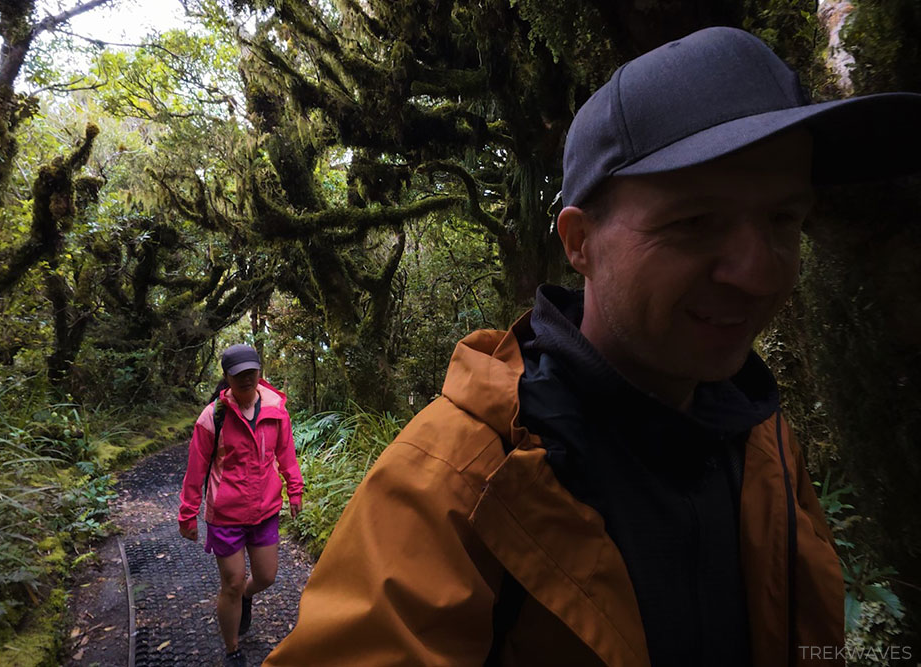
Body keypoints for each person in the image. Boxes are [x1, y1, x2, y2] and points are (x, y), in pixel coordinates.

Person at [265, 27, 921, 666]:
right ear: (580, 243)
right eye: (695, 223)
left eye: (784, 218)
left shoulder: (766, 447)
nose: (757, 272)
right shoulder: (458, 488)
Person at [178, 343, 304, 667]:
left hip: (264, 511)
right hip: (226, 514)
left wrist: (295, 490)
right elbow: (196, 469)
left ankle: (247, 597)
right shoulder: (212, 418)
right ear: (227, 378)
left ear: (259, 372)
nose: (247, 380)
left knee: (267, 576)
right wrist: (187, 513)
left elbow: (286, 454)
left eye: (252, 373)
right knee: (232, 582)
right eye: (239, 375)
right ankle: (232, 648)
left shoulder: (276, 410)